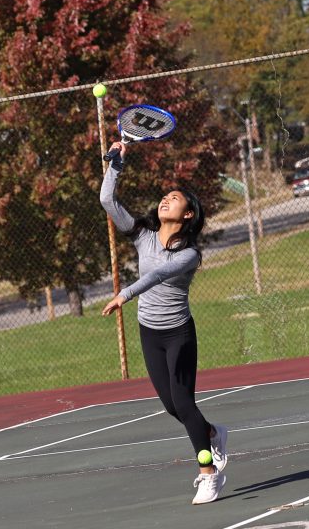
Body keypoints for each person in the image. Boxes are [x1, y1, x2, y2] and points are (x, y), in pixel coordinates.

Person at [99, 142, 230, 504]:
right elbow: (108, 201)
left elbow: (158, 275)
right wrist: (117, 165)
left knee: (184, 402)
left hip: (178, 335)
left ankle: (208, 474)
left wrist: (124, 294)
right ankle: (211, 432)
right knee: (172, 407)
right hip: (149, 333)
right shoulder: (142, 235)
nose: (165, 200)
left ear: (188, 215)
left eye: (175, 198)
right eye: (164, 197)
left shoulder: (188, 254)